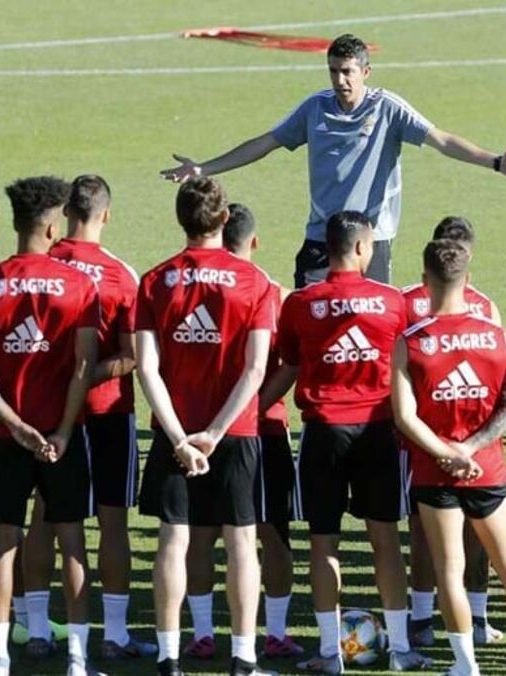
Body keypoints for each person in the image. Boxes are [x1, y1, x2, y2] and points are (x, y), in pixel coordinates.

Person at [161, 34, 506, 288]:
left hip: (371, 240)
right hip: (321, 236)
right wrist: (204, 168)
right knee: (311, 323)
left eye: (347, 71)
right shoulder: (314, 109)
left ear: (365, 72)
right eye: (333, 71)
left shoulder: (388, 108)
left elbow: (443, 140)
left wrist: (496, 162)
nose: (340, 80)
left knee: (372, 329)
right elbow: (265, 143)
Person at [257, 210, 429, 673]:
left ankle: (331, 653)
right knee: (385, 539)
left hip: (322, 434)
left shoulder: (301, 303)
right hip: (378, 431)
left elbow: (289, 368)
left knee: (323, 544)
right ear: (359, 247)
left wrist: (251, 411)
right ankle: (400, 649)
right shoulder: (393, 302)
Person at [392, 238, 506, 676]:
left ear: (425, 279)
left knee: (449, 568)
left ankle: (465, 665)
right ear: (467, 279)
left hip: (435, 473)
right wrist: (470, 448)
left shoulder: (410, 341)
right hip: (488, 469)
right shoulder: (497, 336)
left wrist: (447, 452)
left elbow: (404, 417)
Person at [0, 177, 99, 676]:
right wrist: (62, 430)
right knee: (73, 542)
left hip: (6, 438)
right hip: (63, 438)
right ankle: (78, 661)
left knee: (4, 542)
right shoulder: (78, 285)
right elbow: (85, 365)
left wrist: (14, 424)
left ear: (16, 223)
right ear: (53, 226)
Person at [135, 178, 273, 676]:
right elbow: (255, 370)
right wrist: (214, 434)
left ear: (181, 219)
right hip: (235, 432)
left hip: (175, 432)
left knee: (173, 541)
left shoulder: (154, 281)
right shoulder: (254, 282)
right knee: (241, 543)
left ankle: (169, 657)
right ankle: (243, 658)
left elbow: (146, 368)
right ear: (224, 219)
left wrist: (179, 439)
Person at [182, 203, 305, 661]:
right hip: (261, 430)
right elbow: (291, 365)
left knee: (200, 534)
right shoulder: (275, 293)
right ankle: (274, 633)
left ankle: (201, 633)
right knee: (272, 533)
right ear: (254, 241)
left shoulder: (188, 287)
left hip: (196, 430)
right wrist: (253, 405)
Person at [48, 175, 156, 659]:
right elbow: (132, 356)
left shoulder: (43, 265)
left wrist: (64, 381)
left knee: (48, 519)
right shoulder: (121, 274)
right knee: (113, 524)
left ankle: (36, 629)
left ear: (65, 212)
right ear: (106, 214)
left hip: (49, 413)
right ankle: (114, 635)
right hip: (109, 410)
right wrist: (87, 378)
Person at [402, 216, 503, 649]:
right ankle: (466, 618)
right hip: (469, 447)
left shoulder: (409, 300)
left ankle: (426, 619)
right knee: (469, 534)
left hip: (427, 443)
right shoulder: (483, 307)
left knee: (427, 532)